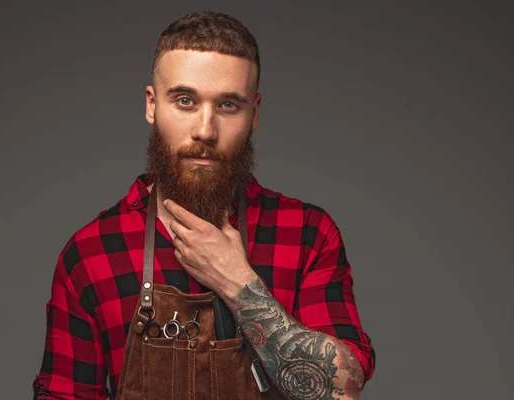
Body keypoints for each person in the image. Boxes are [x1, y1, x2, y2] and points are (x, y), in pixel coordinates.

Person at [32, 10, 375, 400]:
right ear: (152, 105)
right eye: (185, 100)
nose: (205, 130)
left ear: (255, 114)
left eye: (228, 105)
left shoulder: (307, 235)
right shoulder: (91, 254)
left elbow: (342, 391)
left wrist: (238, 283)